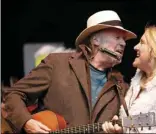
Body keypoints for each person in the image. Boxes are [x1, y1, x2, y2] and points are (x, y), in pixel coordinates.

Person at [3, 10, 136, 133]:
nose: (123, 44)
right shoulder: (57, 64)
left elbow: (123, 125)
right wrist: (26, 122)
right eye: (117, 37)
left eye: (124, 39)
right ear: (96, 40)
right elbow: (14, 94)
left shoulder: (121, 86)